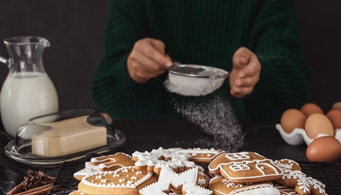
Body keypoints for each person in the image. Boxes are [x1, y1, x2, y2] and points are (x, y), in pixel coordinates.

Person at [92, 0, 311, 122]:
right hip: (145, 149)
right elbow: (107, 92)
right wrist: (132, 71)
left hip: (248, 149)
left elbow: (294, 88)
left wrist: (256, 76)